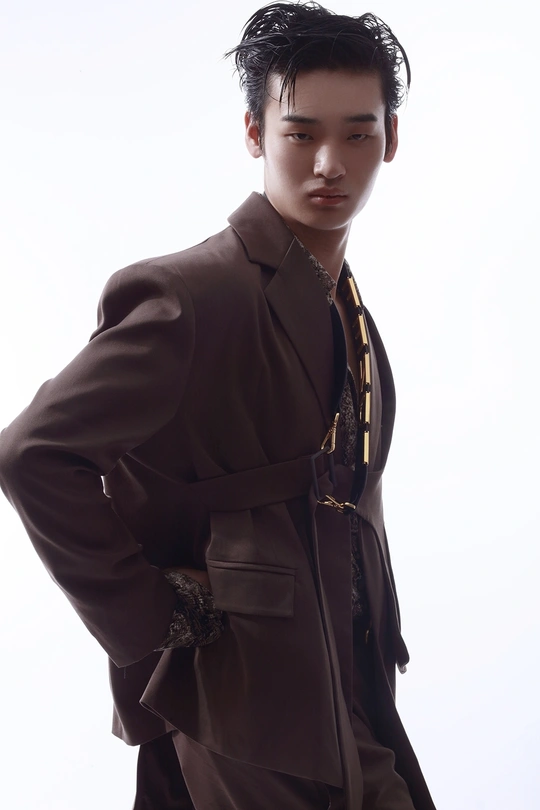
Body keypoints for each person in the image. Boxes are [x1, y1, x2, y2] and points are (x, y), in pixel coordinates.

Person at [0, 3, 437, 808]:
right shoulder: (194, 294)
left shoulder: (343, 300)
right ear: (254, 133)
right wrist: (151, 612)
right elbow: (33, 454)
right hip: (244, 689)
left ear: (392, 139)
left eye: (358, 133)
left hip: (344, 670)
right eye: (301, 134)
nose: (330, 163)